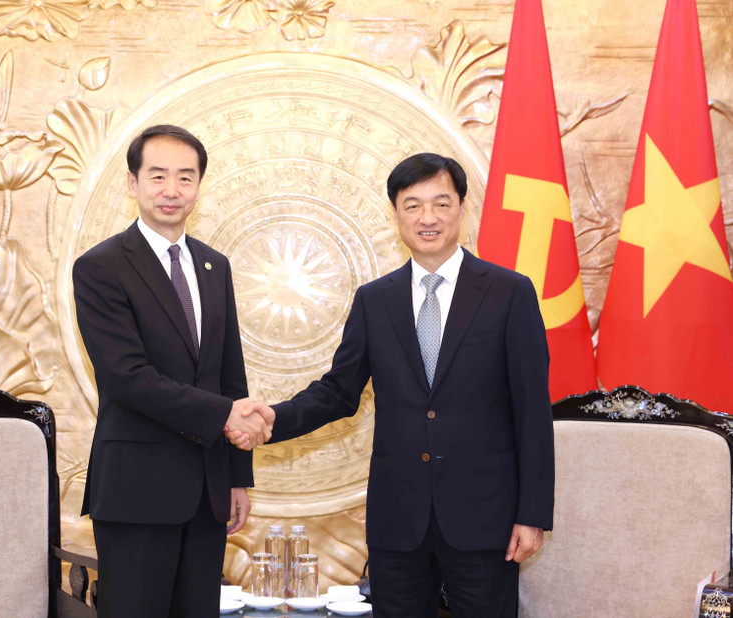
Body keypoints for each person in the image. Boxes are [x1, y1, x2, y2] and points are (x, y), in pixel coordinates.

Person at [230, 153, 554, 617]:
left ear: (462, 207)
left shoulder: (509, 292)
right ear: (396, 213)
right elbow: (338, 392)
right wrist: (272, 419)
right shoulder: (375, 300)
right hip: (398, 519)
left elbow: (532, 411)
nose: (428, 218)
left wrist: (532, 515)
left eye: (441, 204)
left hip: (485, 518)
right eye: (413, 205)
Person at [72, 124, 273, 617]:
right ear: (132, 182)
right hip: (137, 489)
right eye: (157, 175)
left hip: (207, 491)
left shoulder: (213, 265)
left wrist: (236, 478)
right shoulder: (101, 267)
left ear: (199, 186)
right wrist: (228, 415)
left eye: (185, 177)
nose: (171, 190)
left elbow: (229, 374)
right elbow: (127, 377)